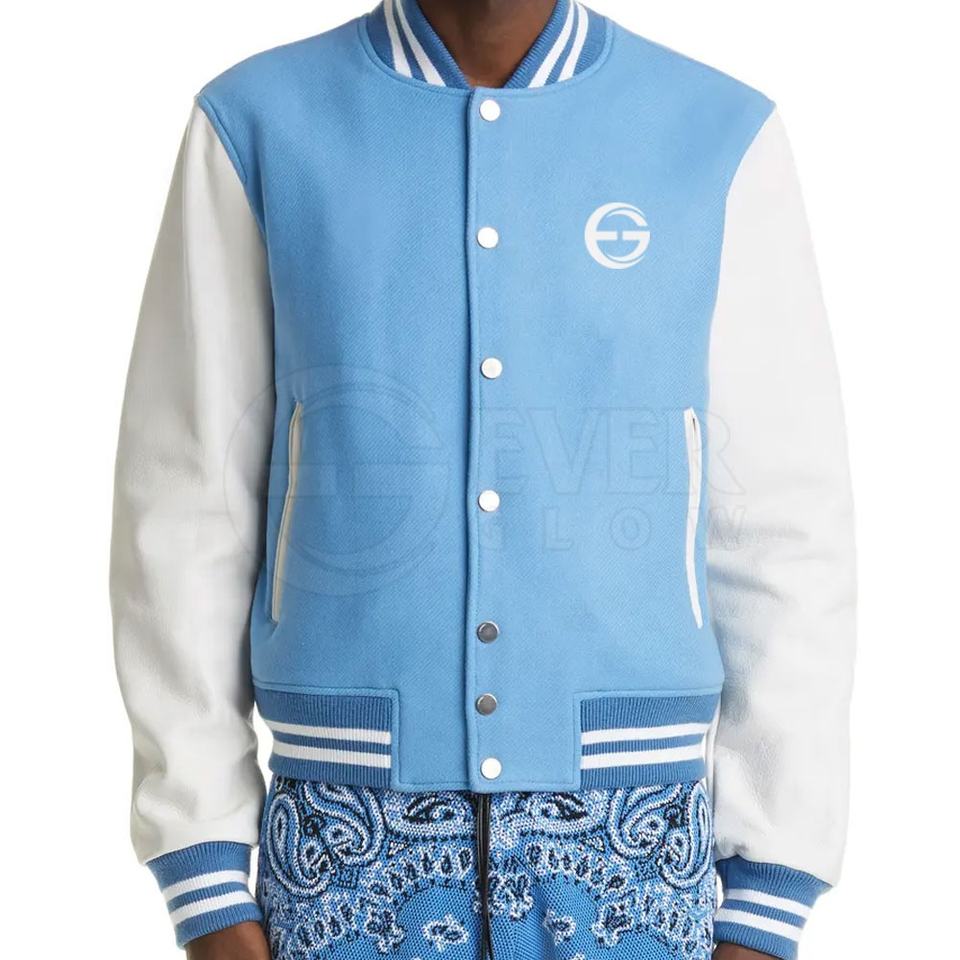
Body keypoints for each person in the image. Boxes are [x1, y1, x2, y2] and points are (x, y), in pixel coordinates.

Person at [110, 2, 856, 959]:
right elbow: (184, 504)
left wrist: (771, 885)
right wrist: (202, 871)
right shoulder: (258, 122)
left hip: (640, 844)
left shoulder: (716, 134)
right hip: (342, 841)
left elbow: (784, 525)